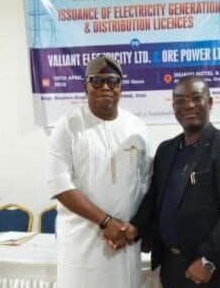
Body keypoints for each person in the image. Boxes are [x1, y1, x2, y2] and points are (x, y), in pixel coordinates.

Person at [132, 75, 220, 287]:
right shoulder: (166, 150)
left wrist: (208, 260)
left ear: (210, 102)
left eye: (196, 98)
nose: (188, 105)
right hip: (171, 266)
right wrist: (133, 228)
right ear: (174, 107)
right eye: (180, 100)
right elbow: (153, 199)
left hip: (210, 271)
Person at [46, 55, 151, 287]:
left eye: (113, 81)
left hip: (124, 243)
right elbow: (60, 185)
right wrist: (106, 222)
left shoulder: (137, 127)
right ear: (85, 87)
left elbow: (147, 183)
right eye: (97, 80)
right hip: (82, 245)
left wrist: (134, 227)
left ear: (121, 88)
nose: (105, 87)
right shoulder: (68, 126)